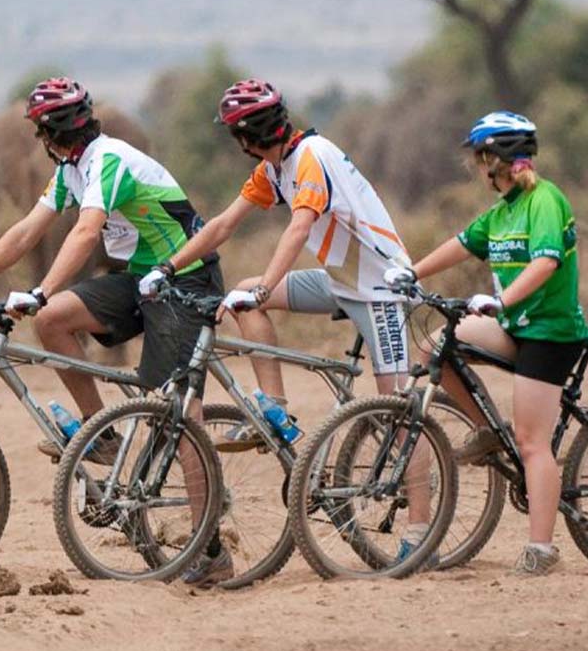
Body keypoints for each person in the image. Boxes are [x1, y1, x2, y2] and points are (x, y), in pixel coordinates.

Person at [0, 77, 230, 581]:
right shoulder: (72, 169)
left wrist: (41, 288)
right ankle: (105, 436)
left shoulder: (108, 161)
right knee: (52, 322)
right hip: (140, 280)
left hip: (185, 280)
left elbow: (86, 231)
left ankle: (212, 552)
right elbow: (28, 229)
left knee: (179, 412)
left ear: (48, 133)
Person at [139, 78, 432, 559]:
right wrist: (168, 267)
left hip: (380, 288)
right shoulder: (276, 167)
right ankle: (274, 407)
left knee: (400, 411)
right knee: (242, 297)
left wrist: (265, 285)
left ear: (245, 136)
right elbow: (223, 224)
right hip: (342, 281)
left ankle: (421, 534)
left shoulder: (311, 156)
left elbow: (299, 226)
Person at [384, 111, 586, 576]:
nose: (477, 169)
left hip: (551, 333)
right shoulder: (503, 211)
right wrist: (412, 272)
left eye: (480, 160)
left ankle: (542, 549)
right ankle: (487, 432)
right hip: (518, 325)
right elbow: (461, 243)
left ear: (495, 159)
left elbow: (546, 263)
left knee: (533, 442)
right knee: (437, 344)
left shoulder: (544, 200)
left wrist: (499, 300)